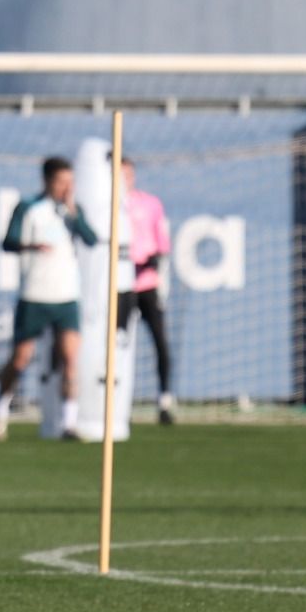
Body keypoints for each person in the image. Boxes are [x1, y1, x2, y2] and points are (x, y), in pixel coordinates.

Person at [0, 156, 97, 442]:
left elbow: (91, 239)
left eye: (70, 182)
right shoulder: (28, 208)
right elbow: (7, 241)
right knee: (21, 358)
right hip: (35, 295)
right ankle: (0, 410)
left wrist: (73, 213)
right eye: (61, 181)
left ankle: (68, 424)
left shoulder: (72, 212)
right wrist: (31, 245)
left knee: (70, 358)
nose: (66, 187)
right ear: (48, 181)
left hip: (66, 297)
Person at [122, 158, 174, 425]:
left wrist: (153, 259)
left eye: (127, 173)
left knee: (160, 343)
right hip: (120, 285)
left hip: (148, 284)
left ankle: (164, 400)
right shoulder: (107, 206)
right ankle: (120, 403)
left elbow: (162, 244)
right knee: (120, 346)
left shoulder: (150, 203)